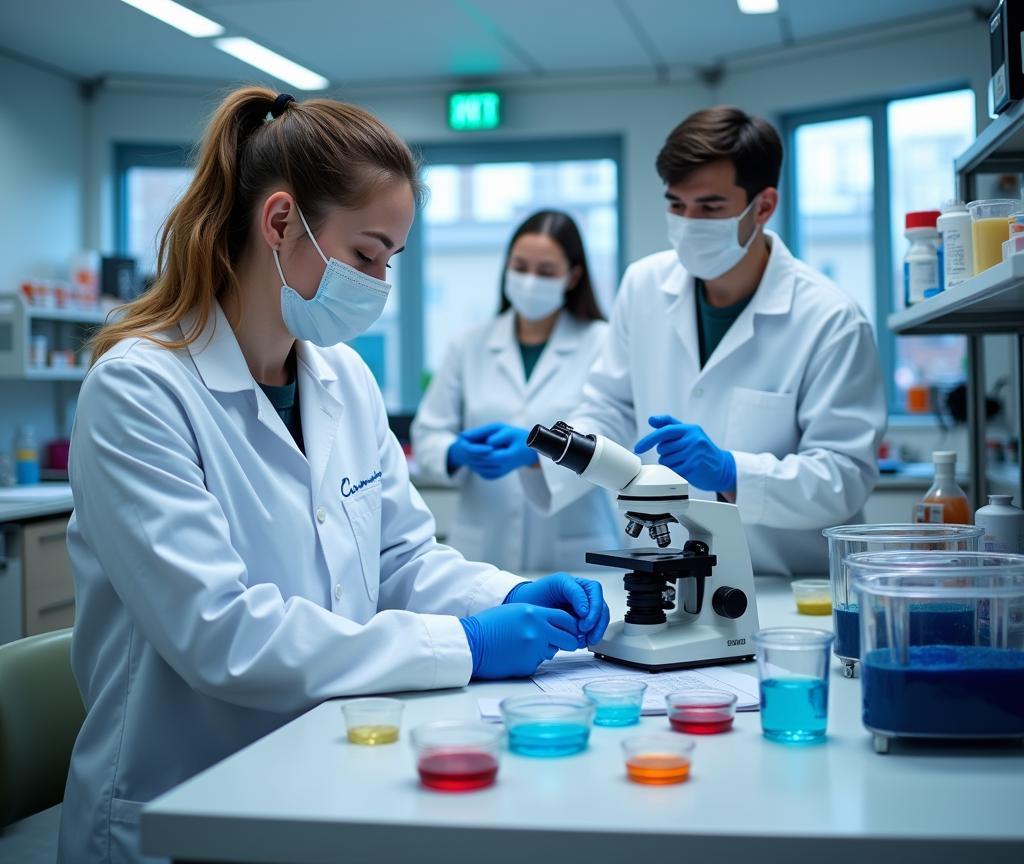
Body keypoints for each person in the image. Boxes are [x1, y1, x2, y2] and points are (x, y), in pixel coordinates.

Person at [60, 88, 609, 864]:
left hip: (325, 771)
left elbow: (402, 558)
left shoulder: (342, 380)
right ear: (281, 222)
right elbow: (222, 634)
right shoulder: (139, 390)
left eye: (391, 259)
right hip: (182, 800)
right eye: (365, 253)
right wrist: (467, 643)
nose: (381, 283)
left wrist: (504, 595)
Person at [519, 106, 887, 576]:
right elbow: (609, 406)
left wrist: (733, 472)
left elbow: (844, 476)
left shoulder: (831, 319)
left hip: (785, 584)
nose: (689, 222)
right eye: (676, 205)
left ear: (764, 206)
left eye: (710, 207)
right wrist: (559, 450)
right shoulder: (644, 285)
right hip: (664, 569)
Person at [412, 211, 618, 570]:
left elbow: (612, 437)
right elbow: (429, 432)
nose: (530, 280)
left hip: (575, 546)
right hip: (483, 545)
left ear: (573, 276)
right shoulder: (469, 345)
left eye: (546, 271)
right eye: (520, 266)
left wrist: (538, 454)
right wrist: (454, 452)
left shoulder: (603, 343)